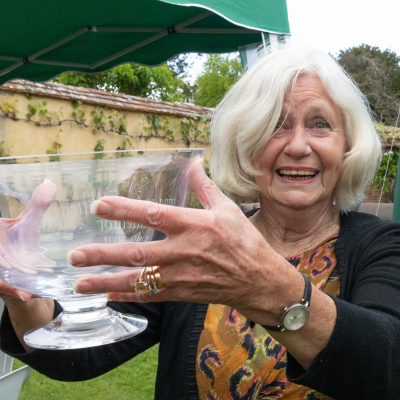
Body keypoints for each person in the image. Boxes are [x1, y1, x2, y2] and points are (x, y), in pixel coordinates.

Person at [1, 47, 400, 400]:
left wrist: (265, 286)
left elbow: (388, 367)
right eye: (275, 124)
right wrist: (29, 302)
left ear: (348, 145)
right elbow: (78, 360)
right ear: (244, 143)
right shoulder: (197, 245)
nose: (298, 145)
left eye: (320, 124)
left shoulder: (384, 246)